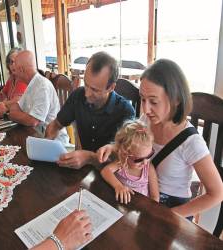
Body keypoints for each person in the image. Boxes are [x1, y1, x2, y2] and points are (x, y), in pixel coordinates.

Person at [98, 59, 223, 218]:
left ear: (176, 99)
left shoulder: (192, 142)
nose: (146, 108)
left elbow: (217, 193)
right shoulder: (146, 120)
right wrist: (113, 147)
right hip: (144, 198)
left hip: (171, 210)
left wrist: (170, 216)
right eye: (143, 99)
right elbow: (134, 145)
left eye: (154, 102)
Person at [45, 51, 135, 169]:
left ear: (111, 87)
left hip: (112, 176)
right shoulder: (78, 95)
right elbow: (56, 124)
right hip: (83, 170)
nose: (87, 94)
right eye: (86, 84)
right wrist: (47, 145)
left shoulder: (126, 111)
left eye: (95, 90)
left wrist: (89, 157)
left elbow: (123, 159)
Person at [8, 50, 68, 143]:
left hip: (55, 143)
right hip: (38, 136)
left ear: (22, 70)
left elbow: (32, 121)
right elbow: (17, 107)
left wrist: (12, 115)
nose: (14, 74)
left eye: (15, 70)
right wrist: (14, 113)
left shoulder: (42, 86)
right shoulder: (32, 83)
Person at [101, 120, 159, 204]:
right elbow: (105, 171)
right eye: (139, 160)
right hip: (122, 204)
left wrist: (149, 210)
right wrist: (118, 186)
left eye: (149, 155)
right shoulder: (122, 163)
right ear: (125, 154)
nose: (145, 162)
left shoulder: (148, 168)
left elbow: (155, 197)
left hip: (142, 208)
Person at [0, 48, 27, 118]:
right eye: (11, 62)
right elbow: (3, 97)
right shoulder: (11, 78)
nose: (13, 65)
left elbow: (17, 101)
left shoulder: (23, 79)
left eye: (16, 61)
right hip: (12, 116)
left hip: (21, 118)